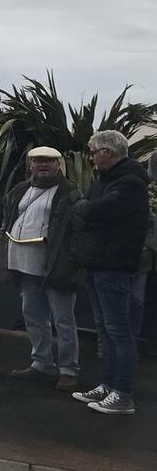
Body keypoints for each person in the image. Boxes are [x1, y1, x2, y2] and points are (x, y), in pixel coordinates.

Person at [71, 130, 150, 415]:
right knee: (105, 329)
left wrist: (84, 208)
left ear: (109, 152)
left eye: (94, 152)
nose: (91, 157)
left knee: (119, 331)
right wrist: (86, 209)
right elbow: (90, 209)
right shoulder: (108, 181)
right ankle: (108, 385)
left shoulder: (130, 183)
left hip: (114, 266)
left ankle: (123, 393)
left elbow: (93, 210)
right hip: (98, 264)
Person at [0, 146, 83, 391]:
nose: (42, 165)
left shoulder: (70, 192)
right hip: (25, 265)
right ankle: (41, 363)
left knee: (63, 319)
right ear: (31, 165)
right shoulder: (21, 190)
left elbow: (76, 230)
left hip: (56, 266)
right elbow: (8, 218)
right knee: (33, 316)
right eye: (37, 161)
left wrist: (72, 261)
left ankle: (69, 369)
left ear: (59, 164)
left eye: (48, 161)